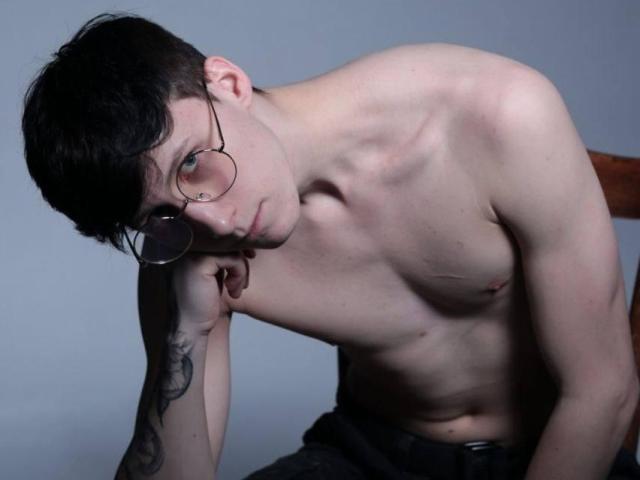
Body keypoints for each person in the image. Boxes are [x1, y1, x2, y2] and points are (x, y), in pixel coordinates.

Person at [22, 12, 640, 480]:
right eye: (160, 215)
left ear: (228, 84)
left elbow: (602, 391)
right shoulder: (183, 252)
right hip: (373, 456)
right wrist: (188, 329)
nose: (215, 221)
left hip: (563, 450)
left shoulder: (494, 115)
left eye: (192, 163)